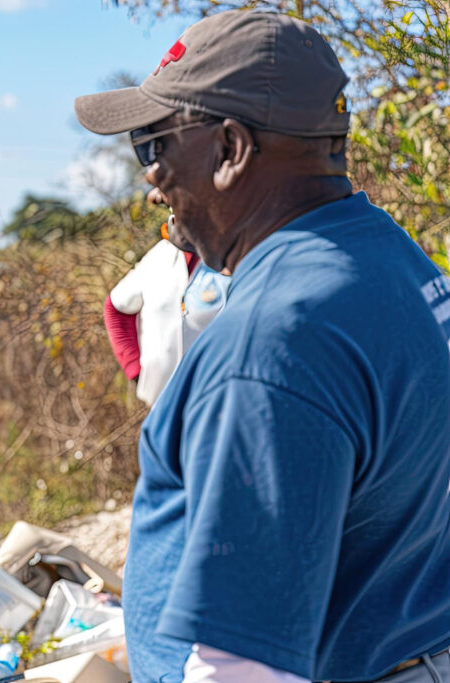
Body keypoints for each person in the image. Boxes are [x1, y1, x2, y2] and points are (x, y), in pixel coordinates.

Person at [76, 9, 450, 683]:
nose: (151, 177)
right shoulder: (387, 255)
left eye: (154, 144)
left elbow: (246, 669)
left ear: (230, 149)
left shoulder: (272, 344)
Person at [104, 210, 230, 405]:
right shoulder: (160, 255)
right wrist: (135, 369)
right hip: (159, 402)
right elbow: (116, 307)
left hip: (218, 404)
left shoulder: (232, 257)